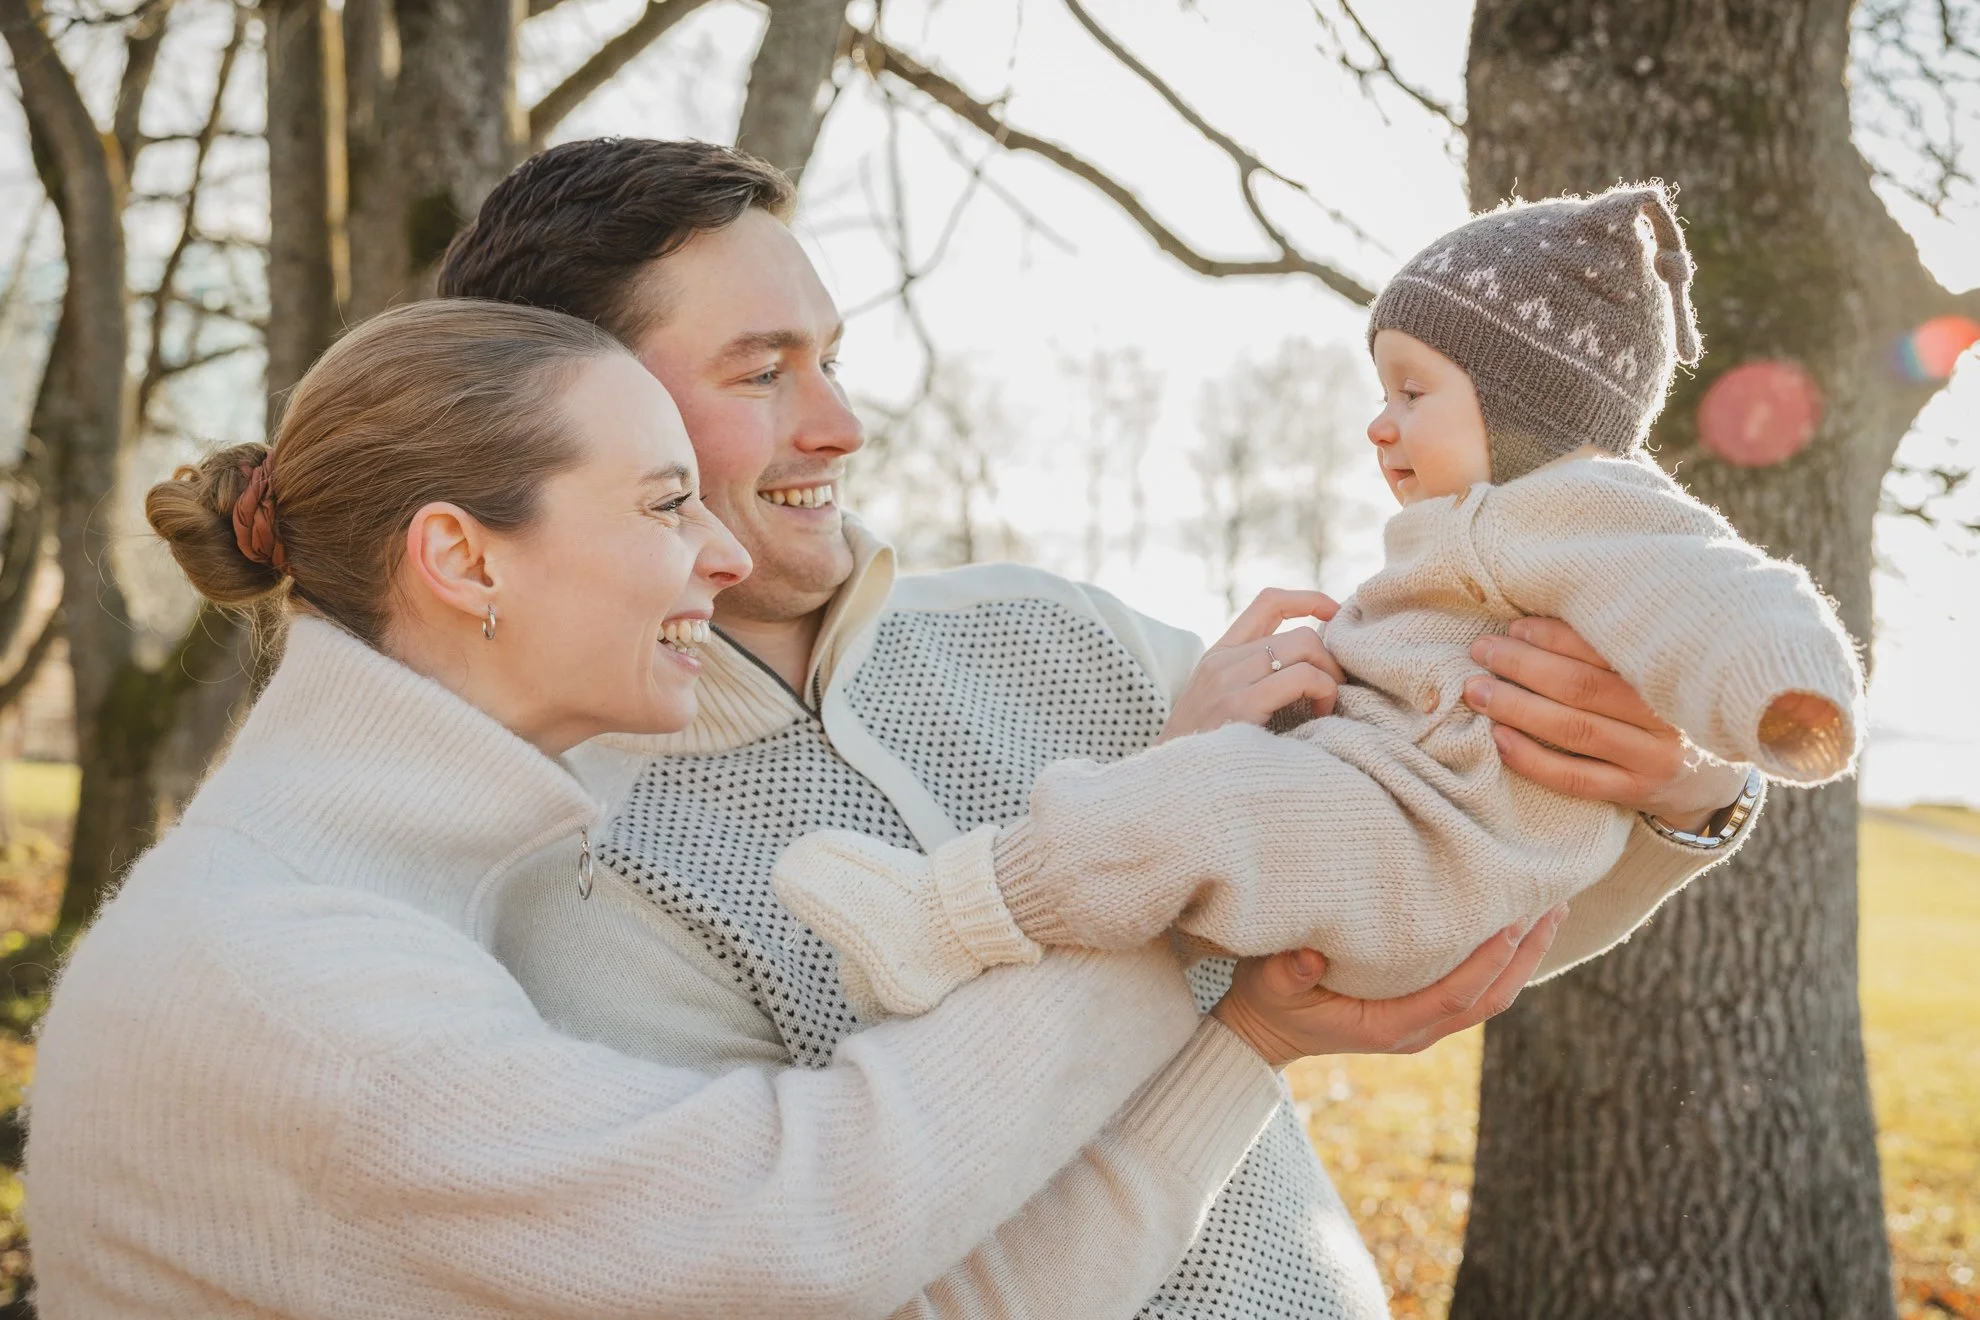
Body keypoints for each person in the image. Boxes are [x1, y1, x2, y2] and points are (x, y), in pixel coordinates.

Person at [438, 139, 1765, 1318]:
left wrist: (1680, 796)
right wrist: (1229, 1016)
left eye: (831, 360)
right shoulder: (583, 878)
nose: (841, 427)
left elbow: (1434, 894)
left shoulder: (1060, 634)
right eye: (763, 373)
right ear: (580, 418)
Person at [27, 299, 1485, 1319]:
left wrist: (1243, 1041)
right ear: (464, 562)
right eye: (665, 505)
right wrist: (1159, 872)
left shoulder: (369, 893)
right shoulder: (281, 966)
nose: (720, 559)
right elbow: (803, 1224)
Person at [773, 182, 1862, 1014]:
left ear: (1527, 407)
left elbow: (1723, 595)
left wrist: (1786, 698)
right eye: (1381, 390)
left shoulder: (1584, 508)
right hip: (1392, 824)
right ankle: (1001, 933)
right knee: (1198, 803)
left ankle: (943, 920)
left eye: (1414, 390)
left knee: (1196, 800)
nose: (1379, 425)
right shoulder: (1482, 533)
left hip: (1429, 854)